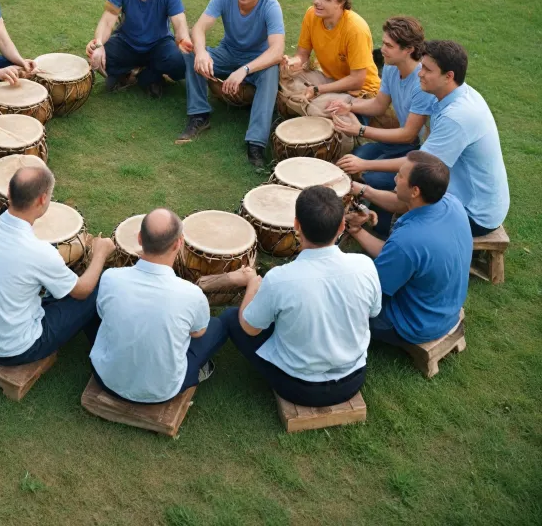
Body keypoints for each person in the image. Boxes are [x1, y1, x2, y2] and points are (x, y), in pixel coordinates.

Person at [220, 186, 381, 407]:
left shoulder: (279, 279)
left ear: (296, 225)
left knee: (231, 318)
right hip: (353, 378)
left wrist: (251, 286)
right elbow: (374, 312)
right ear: (342, 226)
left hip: (298, 387)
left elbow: (250, 328)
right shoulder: (365, 266)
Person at [0, 163, 115, 365]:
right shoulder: (40, 252)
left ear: (9, 194)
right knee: (98, 285)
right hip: (11, 349)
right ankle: (103, 353)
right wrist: (100, 253)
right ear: (42, 199)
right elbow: (82, 291)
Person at [351, 40, 510, 237]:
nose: (420, 73)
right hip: (465, 194)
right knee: (389, 189)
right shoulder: (451, 95)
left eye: (427, 69)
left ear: (448, 76)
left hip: (474, 214)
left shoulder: (457, 117)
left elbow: (420, 166)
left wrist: (362, 174)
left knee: (389, 222)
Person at [90, 209, 229, 403]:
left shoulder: (111, 277)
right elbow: (198, 333)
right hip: (162, 392)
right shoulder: (192, 294)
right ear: (179, 243)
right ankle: (196, 372)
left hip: (107, 380)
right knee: (218, 326)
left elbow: (102, 314)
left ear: (139, 238)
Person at [346, 151, 471, 346]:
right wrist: (355, 230)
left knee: (342, 303)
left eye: (400, 176)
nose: (395, 178)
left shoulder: (407, 241)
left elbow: (372, 295)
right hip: (445, 306)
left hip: (415, 324)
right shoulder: (452, 204)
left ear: (415, 192)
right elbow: (397, 256)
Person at [328, 16, 436, 233]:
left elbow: (408, 135)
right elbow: (379, 105)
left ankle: (384, 223)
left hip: (419, 150)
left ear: (408, 50)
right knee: (358, 155)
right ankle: (361, 206)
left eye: (389, 45)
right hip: (403, 143)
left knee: (372, 174)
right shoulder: (390, 67)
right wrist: (350, 106)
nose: (382, 49)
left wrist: (359, 129)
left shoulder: (421, 82)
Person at [175, 0, 285, 168]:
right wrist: (201, 53)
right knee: (190, 52)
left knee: (271, 71)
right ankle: (199, 115)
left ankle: (256, 143)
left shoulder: (270, 6)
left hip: (257, 60)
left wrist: (244, 70)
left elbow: (277, 51)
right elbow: (198, 29)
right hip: (228, 52)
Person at [85, 0, 192, 99]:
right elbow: (108, 20)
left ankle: (146, 74)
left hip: (159, 44)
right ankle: (142, 76)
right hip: (127, 42)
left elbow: (180, 23)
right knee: (97, 56)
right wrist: (99, 44)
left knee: (182, 63)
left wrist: (183, 41)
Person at [279, 0, 380, 119]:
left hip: (360, 92)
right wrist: (291, 63)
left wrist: (318, 89)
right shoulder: (311, 14)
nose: (317, 2)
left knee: (325, 109)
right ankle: (311, 104)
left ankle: (313, 106)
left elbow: (357, 81)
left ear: (341, 2)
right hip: (330, 79)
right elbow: (302, 55)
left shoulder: (356, 29)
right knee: (280, 74)